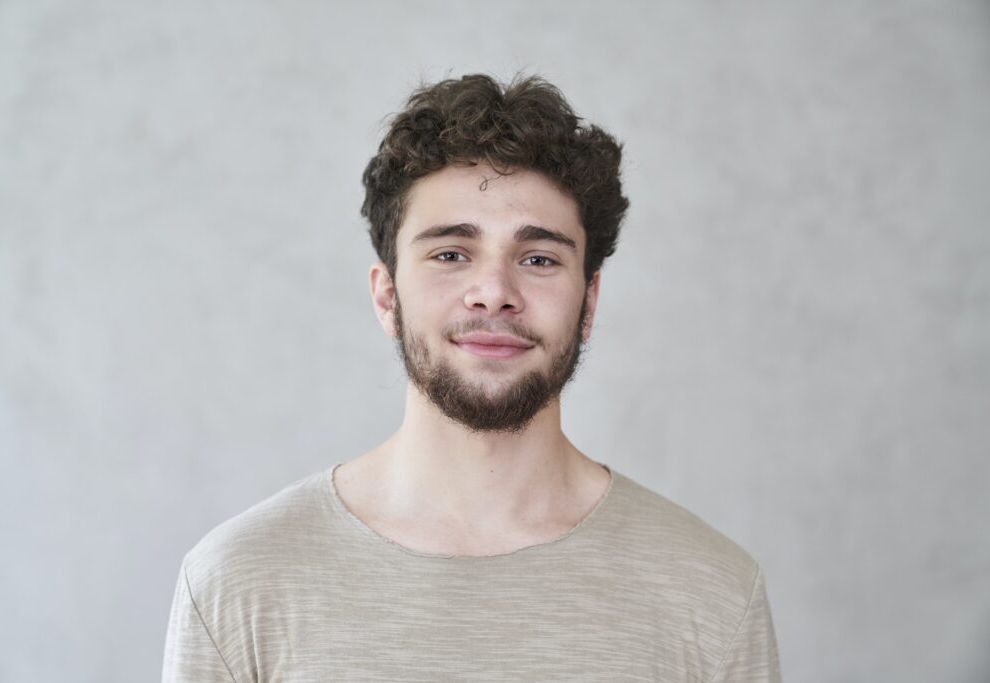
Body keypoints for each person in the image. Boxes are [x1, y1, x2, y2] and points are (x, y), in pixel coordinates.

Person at [162, 73, 781, 682]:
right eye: (451, 254)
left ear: (588, 302)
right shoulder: (238, 585)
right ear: (386, 297)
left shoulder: (713, 594)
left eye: (538, 259)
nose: (494, 294)